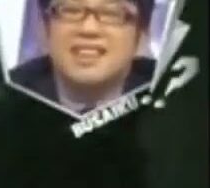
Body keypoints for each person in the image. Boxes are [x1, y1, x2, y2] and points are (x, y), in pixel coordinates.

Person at [8, 0, 158, 115]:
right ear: (45, 27)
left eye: (112, 13)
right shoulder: (7, 99)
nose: (88, 29)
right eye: (70, 10)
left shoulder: (166, 97)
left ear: (142, 33)